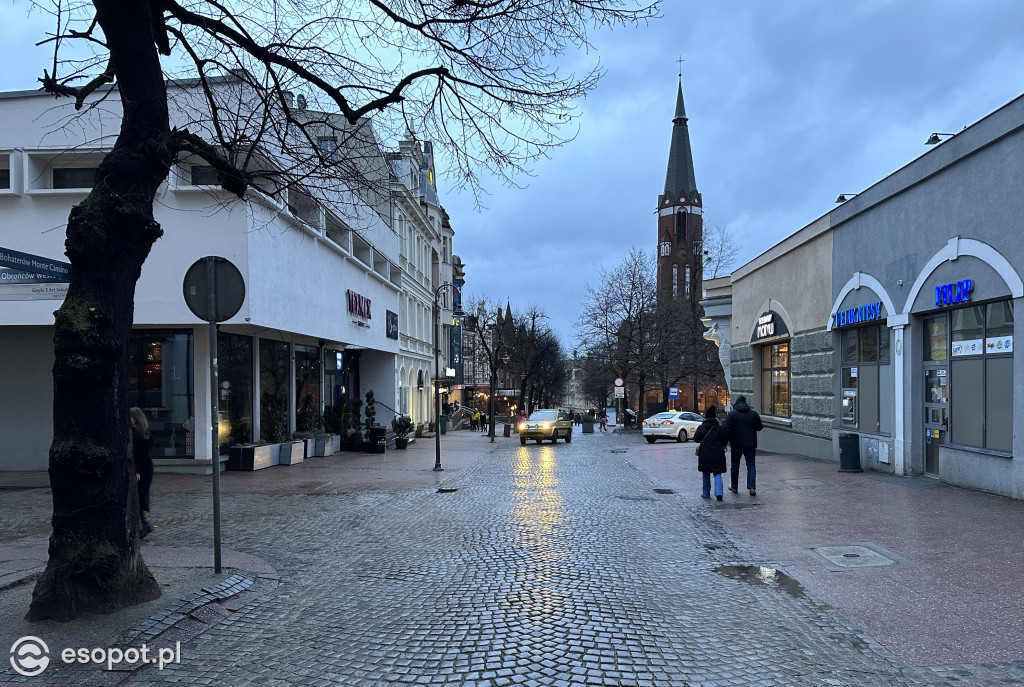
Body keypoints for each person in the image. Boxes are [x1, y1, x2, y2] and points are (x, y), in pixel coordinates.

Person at [722, 395, 764, 496]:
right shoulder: (753, 414)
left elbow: (726, 429)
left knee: (735, 465)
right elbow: (760, 427)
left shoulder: (732, 414)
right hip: (750, 444)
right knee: (751, 465)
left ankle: (734, 486)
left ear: (736, 403)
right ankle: (752, 487)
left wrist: (725, 442)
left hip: (736, 444)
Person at [693, 406, 727, 500]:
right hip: (718, 453)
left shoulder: (702, 427)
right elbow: (725, 440)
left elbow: (696, 439)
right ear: (715, 417)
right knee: (717, 473)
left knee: (706, 473)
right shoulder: (719, 428)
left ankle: (706, 493)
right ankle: (719, 492)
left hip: (705, 453)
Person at [130, 407, 154, 539]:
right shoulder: (135, 432)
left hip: (143, 470)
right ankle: (144, 524)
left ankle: (144, 525)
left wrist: (138, 471)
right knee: (138, 497)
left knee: (140, 496)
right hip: (141, 469)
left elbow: (143, 455)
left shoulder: (143, 434)